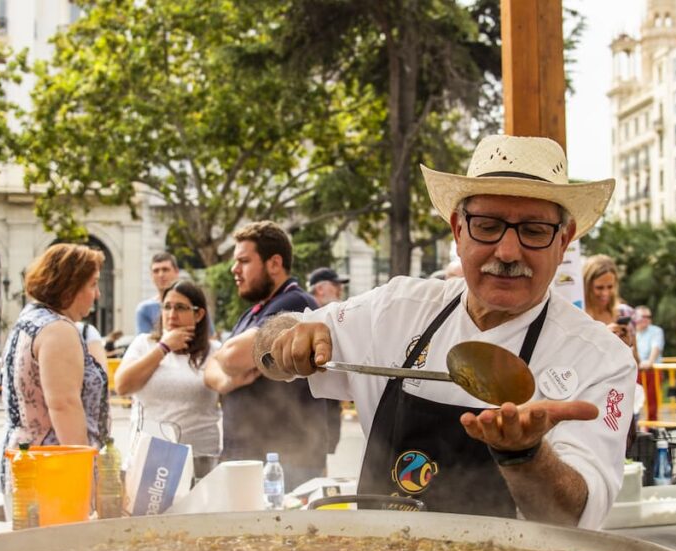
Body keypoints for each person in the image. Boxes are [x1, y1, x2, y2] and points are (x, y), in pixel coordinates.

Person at [251, 135, 634, 528]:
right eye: (487, 226)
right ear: (458, 230)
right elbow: (271, 342)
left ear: (563, 240)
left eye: (534, 231)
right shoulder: (396, 309)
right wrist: (285, 341)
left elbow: (573, 515)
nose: (507, 252)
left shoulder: (602, 358)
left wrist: (525, 455)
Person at [204, 221, 328, 488]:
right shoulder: (255, 312)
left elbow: (231, 357)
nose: (234, 269)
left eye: (244, 261)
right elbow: (210, 368)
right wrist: (228, 381)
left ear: (274, 263)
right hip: (247, 457)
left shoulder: (295, 304)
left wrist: (228, 364)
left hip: (286, 463)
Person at [0, 244, 108, 468]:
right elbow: (64, 405)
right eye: (93, 284)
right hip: (54, 469)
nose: (97, 294)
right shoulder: (58, 330)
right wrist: (83, 474)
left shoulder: (29, 320)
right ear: (70, 287)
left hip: (28, 460)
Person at [115, 281, 221, 458]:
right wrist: (163, 347)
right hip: (149, 459)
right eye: (167, 307)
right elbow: (122, 386)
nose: (172, 315)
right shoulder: (145, 344)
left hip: (200, 456)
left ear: (199, 314)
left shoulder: (214, 350)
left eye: (180, 308)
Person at [307, 267, 350, 456]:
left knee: (323, 459)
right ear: (320, 289)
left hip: (328, 409)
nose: (340, 290)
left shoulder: (333, 319)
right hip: (310, 413)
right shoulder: (308, 317)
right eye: (336, 285)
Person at [582, 255, 634, 348]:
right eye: (599, 288)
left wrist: (627, 345)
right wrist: (603, 337)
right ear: (587, 285)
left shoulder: (623, 313)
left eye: (610, 287)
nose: (605, 293)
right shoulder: (579, 315)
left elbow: (636, 361)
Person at [135, 252, 180, 335]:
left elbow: (209, 338)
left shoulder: (193, 303)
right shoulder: (145, 309)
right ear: (151, 275)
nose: (161, 275)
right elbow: (146, 345)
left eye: (165, 270)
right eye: (156, 271)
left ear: (176, 272)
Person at [633, 306, 664, 422]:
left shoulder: (656, 331)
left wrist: (650, 362)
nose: (646, 319)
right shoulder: (632, 331)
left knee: (652, 401)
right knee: (632, 401)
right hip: (635, 370)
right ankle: (634, 428)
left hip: (652, 370)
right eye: (643, 316)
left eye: (649, 317)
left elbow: (656, 347)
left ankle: (651, 428)